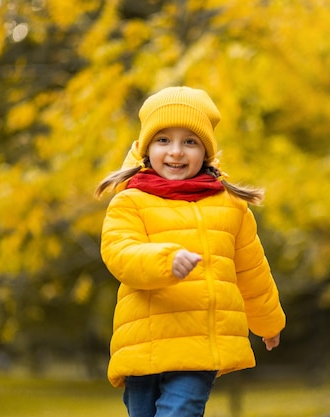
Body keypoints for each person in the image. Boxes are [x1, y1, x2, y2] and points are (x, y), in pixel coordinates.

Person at [95, 86, 286, 417]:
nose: (177, 152)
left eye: (190, 141)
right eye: (164, 140)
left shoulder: (231, 207)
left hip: (199, 343)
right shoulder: (131, 201)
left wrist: (269, 322)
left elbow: (251, 270)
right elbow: (119, 253)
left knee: (179, 411)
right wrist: (165, 260)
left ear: (207, 152)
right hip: (143, 342)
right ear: (146, 147)